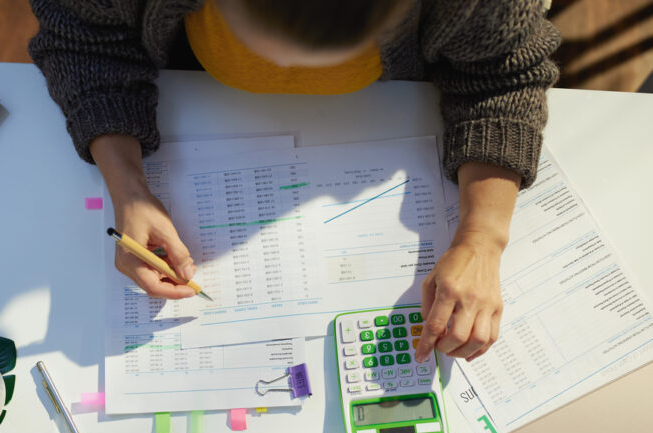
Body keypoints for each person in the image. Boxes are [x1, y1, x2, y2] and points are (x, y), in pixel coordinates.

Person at [28, 0, 560, 363]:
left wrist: (484, 238)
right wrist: (127, 185)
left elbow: (500, 76)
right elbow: (85, 41)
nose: (281, 66)